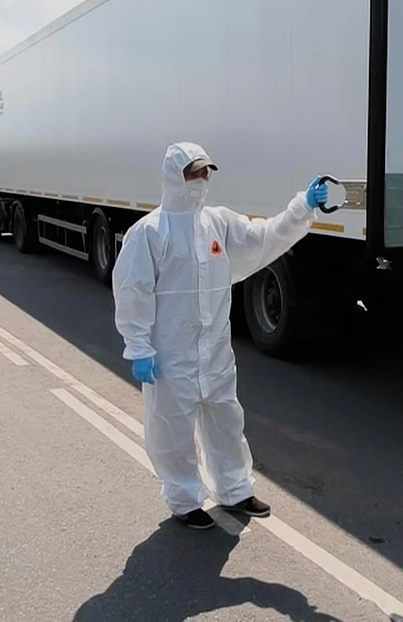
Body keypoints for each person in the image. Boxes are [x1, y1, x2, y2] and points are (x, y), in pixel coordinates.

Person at [112, 142, 329, 530]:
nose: (201, 180)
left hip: (214, 352)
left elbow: (263, 237)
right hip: (171, 355)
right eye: (193, 173)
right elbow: (133, 289)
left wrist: (303, 207)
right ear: (174, 176)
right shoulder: (149, 232)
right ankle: (183, 499)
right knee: (172, 430)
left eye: (206, 172)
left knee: (226, 421)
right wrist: (139, 346)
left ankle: (234, 490)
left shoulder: (218, 223)